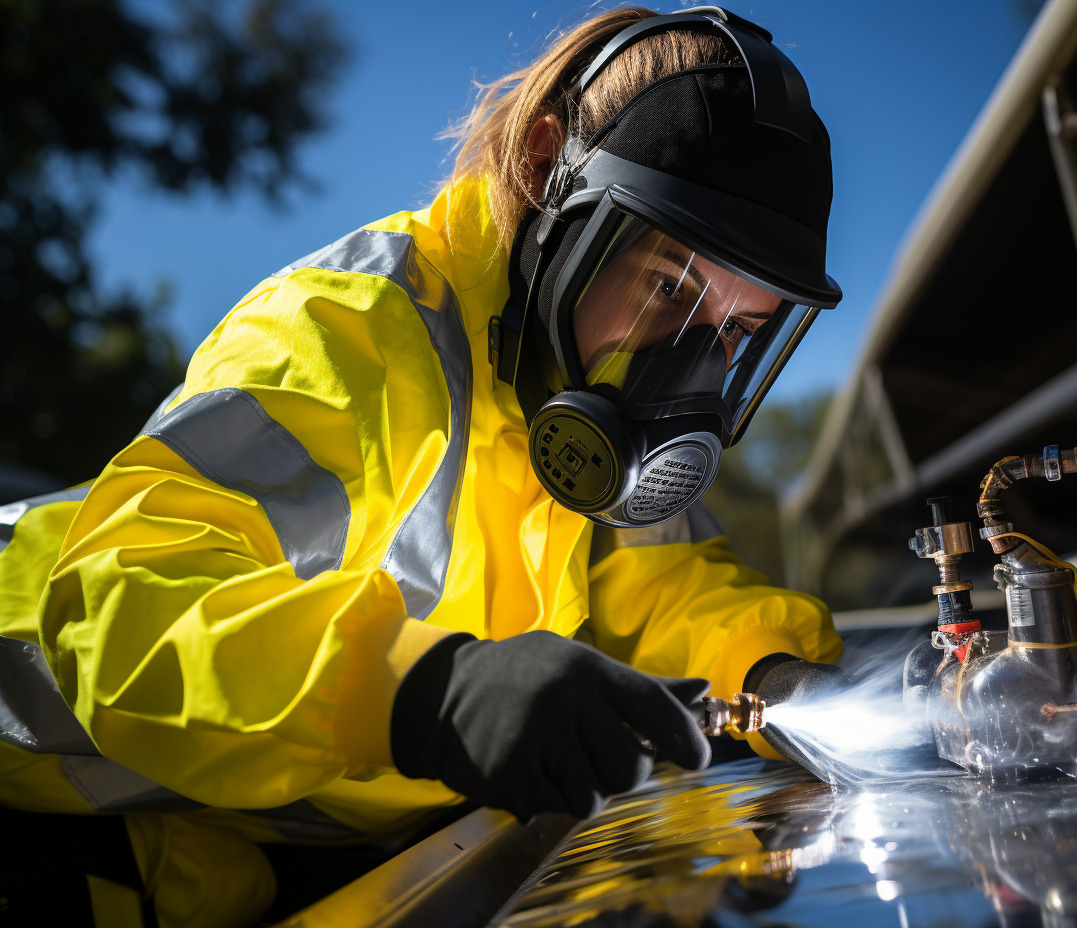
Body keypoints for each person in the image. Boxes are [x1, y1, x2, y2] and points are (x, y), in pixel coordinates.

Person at [0, 6, 844, 926]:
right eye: (670, 286)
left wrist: (775, 678)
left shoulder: (587, 407)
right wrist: (425, 690)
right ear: (543, 164)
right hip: (43, 807)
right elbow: (124, 612)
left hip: (252, 838)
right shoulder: (346, 333)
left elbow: (661, 582)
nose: (691, 366)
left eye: (739, 331)